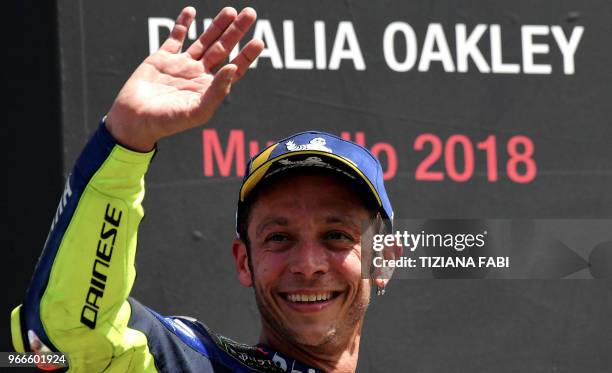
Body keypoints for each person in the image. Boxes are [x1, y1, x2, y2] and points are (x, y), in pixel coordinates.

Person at [11, 6, 401, 373]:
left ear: (383, 259)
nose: (308, 263)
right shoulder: (192, 362)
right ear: (244, 260)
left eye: (336, 236)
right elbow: (62, 340)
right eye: (279, 237)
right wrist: (125, 141)